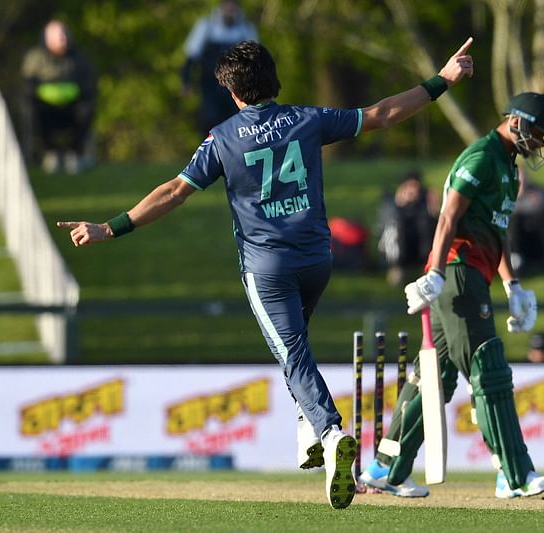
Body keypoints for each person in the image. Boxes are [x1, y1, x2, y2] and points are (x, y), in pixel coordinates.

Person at [57, 38, 474, 509]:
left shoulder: (223, 138)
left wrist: (109, 228)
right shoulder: (307, 118)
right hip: (318, 259)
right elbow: (382, 114)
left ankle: (331, 432)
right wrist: (442, 80)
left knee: (292, 353)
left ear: (233, 94)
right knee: (293, 345)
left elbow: (174, 191)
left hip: (268, 267)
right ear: (273, 80)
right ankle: (307, 430)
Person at [359, 92, 544, 499]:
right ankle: (513, 473)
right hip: (456, 272)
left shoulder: (507, 166)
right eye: (538, 134)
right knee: (488, 367)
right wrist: (435, 271)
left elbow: (496, 231)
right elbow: (449, 215)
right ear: (517, 123)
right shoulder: (482, 156)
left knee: (434, 378)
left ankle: (386, 469)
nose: (540, 144)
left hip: (472, 274)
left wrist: (512, 285)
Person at [21, 19, 97, 174]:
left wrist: (75, 93)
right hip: (46, 109)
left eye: (64, 35)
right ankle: (50, 154)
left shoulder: (78, 58)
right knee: (33, 111)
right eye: (58, 36)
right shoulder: (36, 58)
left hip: (72, 108)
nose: (63, 39)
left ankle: (75, 153)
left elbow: (89, 84)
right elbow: (28, 86)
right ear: (47, 38)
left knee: (86, 110)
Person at [181, 0, 258, 135]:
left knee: (235, 122)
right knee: (210, 120)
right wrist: (186, 81)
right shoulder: (206, 26)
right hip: (210, 85)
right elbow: (192, 56)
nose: (229, 9)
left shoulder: (245, 29)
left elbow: (254, 60)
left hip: (235, 86)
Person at [376, 170, 438, 286]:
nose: (412, 191)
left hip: (420, 248)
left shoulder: (425, 202)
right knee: (395, 224)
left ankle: (426, 267)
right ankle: (397, 268)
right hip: (400, 250)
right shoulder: (392, 203)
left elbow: (438, 220)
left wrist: (432, 207)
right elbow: (384, 227)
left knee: (426, 223)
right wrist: (398, 204)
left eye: (415, 187)